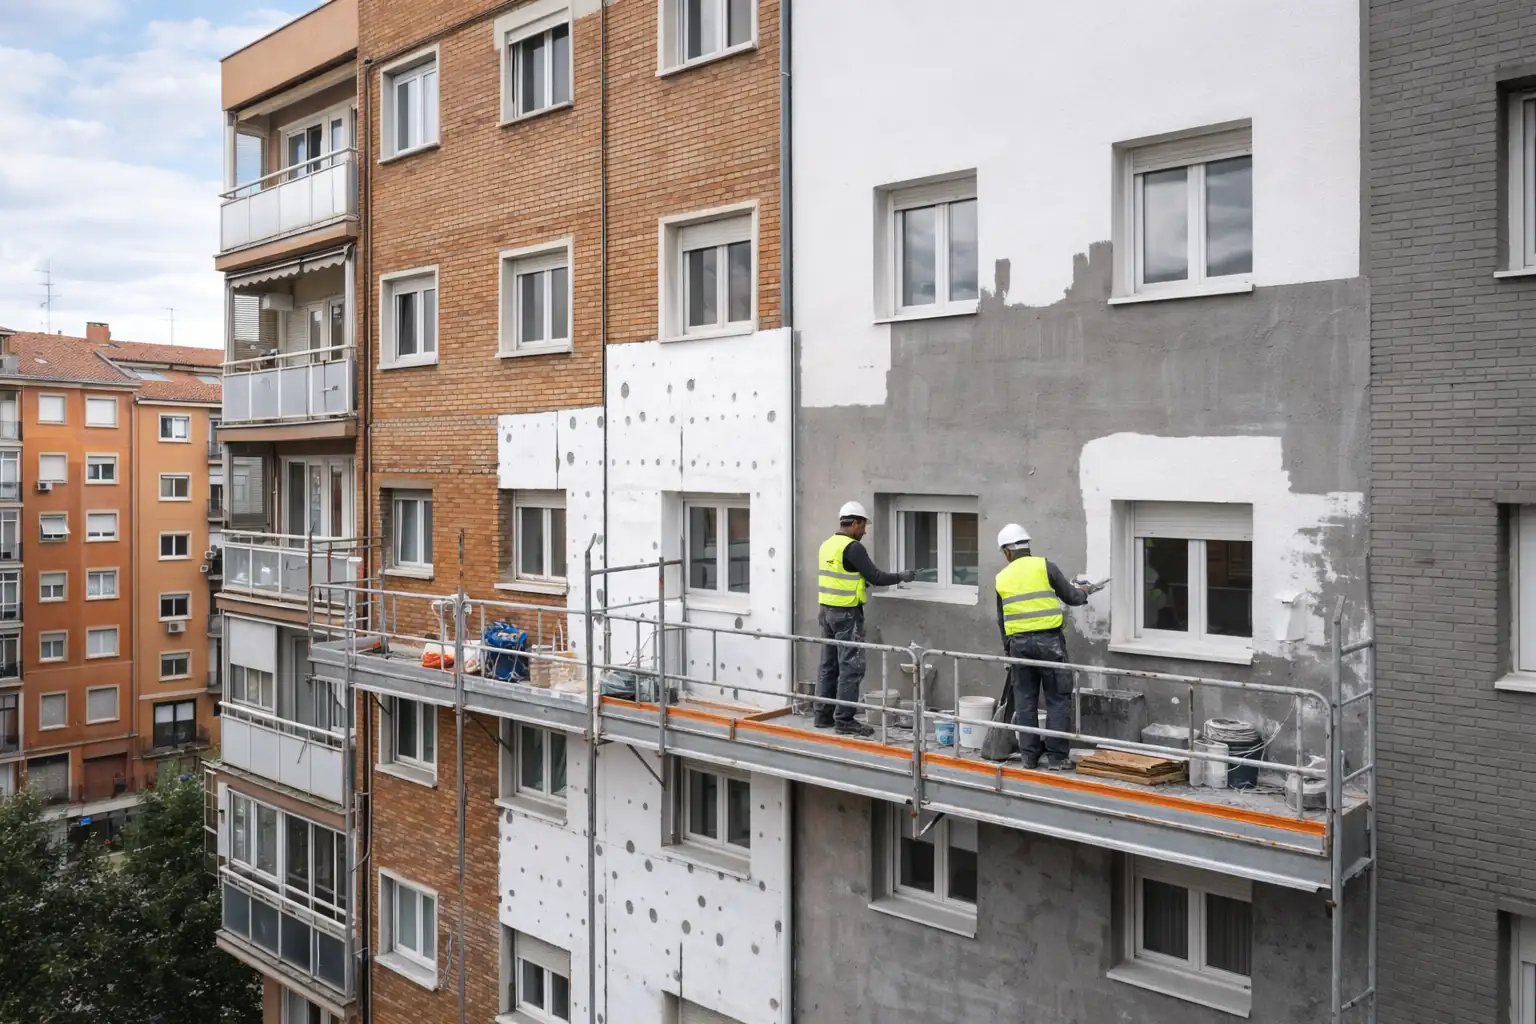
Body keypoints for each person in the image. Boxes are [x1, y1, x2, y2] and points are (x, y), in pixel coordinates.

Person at [994, 523, 1092, 770]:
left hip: (1018, 645)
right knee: (1057, 699)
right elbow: (1072, 597)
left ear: (1007, 551)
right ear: (1027, 546)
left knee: (1025, 702)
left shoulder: (1001, 577)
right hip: (1049, 643)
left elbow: (1001, 620)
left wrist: (1008, 652)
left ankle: (1029, 757)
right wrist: (1085, 591)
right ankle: (1057, 758)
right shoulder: (1045, 566)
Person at [815, 501, 915, 736]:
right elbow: (876, 576)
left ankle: (822, 715)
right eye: (863, 526)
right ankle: (844, 720)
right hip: (846, 614)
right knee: (851, 667)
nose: (864, 532)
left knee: (829, 665)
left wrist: (859, 582)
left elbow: (840, 576)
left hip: (826, 612)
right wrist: (902, 576)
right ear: (855, 523)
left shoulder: (827, 545)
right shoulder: (853, 548)